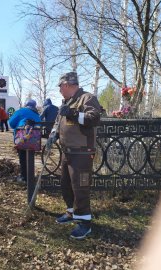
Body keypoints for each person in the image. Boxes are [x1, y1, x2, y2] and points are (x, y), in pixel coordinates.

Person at [47, 72, 101, 239]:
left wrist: (74, 113)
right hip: (68, 152)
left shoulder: (87, 98)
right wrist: (53, 135)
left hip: (82, 152)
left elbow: (94, 118)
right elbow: (59, 122)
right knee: (66, 184)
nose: (59, 90)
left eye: (60, 87)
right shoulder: (67, 102)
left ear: (67, 85)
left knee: (80, 187)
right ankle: (71, 212)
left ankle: (85, 222)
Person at [8, 99, 41, 183]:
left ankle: (24, 177)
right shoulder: (37, 114)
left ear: (26, 104)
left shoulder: (21, 111)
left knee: (22, 157)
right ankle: (30, 176)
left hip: (22, 139)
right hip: (34, 141)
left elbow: (11, 123)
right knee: (30, 156)